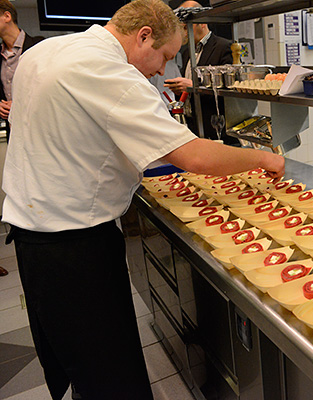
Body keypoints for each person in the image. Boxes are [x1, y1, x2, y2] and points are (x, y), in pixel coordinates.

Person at [2, 0, 284, 399]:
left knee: (80, 361)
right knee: (111, 376)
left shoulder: (46, 50)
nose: (162, 70)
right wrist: (264, 157)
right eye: (165, 57)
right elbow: (194, 156)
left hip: (34, 239)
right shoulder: (108, 71)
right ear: (144, 36)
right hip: (74, 246)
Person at [164, 0, 234, 142]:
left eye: (186, 27)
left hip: (217, 126)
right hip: (194, 125)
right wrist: (182, 91)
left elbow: (230, 89)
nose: (184, 33)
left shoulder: (224, 47)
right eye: (183, 28)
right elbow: (189, 87)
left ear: (202, 22)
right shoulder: (187, 52)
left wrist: (194, 86)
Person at [0, 0, 43, 140]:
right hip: (12, 132)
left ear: (7, 16)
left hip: (39, 127)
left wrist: (20, 103)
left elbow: (48, 86)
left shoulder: (39, 45)